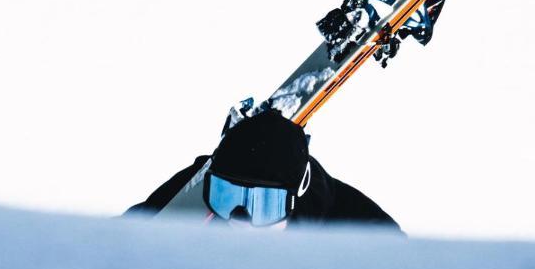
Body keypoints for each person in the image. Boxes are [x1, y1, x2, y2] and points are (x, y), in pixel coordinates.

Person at [127, 109, 401, 230]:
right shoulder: (199, 190)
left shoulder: (363, 231)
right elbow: (120, 240)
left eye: (265, 205)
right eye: (226, 195)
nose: (240, 219)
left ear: (299, 193)